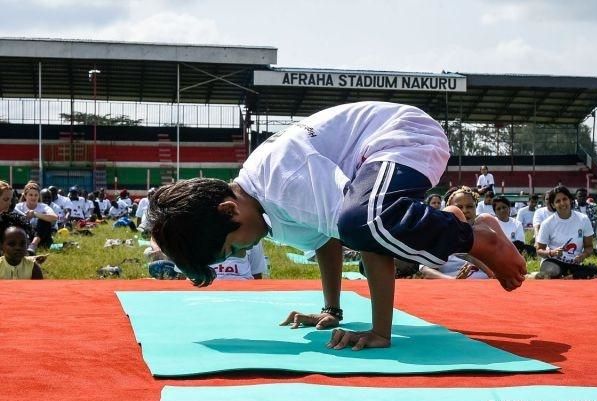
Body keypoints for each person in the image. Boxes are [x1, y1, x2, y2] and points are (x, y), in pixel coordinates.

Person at [148, 101, 526, 351]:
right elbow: (326, 240)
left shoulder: (283, 181)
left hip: (402, 135)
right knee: (355, 221)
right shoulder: (261, 209)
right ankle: (458, 226)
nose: (243, 253)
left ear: (229, 211)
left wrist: (380, 332)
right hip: (375, 159)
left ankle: (477, 238)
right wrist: (332, 310)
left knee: (363, 222)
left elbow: (362, 236)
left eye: (232, 248)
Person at [535, 186, 597, 279]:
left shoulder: (583, 219)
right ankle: (567, 276)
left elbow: (589, 247)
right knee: (554, 272)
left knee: (595, 272)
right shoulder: (547, 223)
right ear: (553, 205)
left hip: (574, 263)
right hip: (553, 262)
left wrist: (583, 256)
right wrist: (552, 252)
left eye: (564, 199)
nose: (562, 203)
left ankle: (569, 276)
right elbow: (539, 250)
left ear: (570, 200)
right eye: (557, 201)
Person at [15, 182, 58, 254]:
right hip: (25, 235)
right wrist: (26, 218)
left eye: (36, 195)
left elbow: (54, 217)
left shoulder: (43, 206)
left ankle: (33, 245)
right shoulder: (18, 206)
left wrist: (35, 214)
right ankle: (28, 245)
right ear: (25, 196)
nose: (33, 197)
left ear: (39, 196)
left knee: (44, 221)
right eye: (31, 195)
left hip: (41, 237)